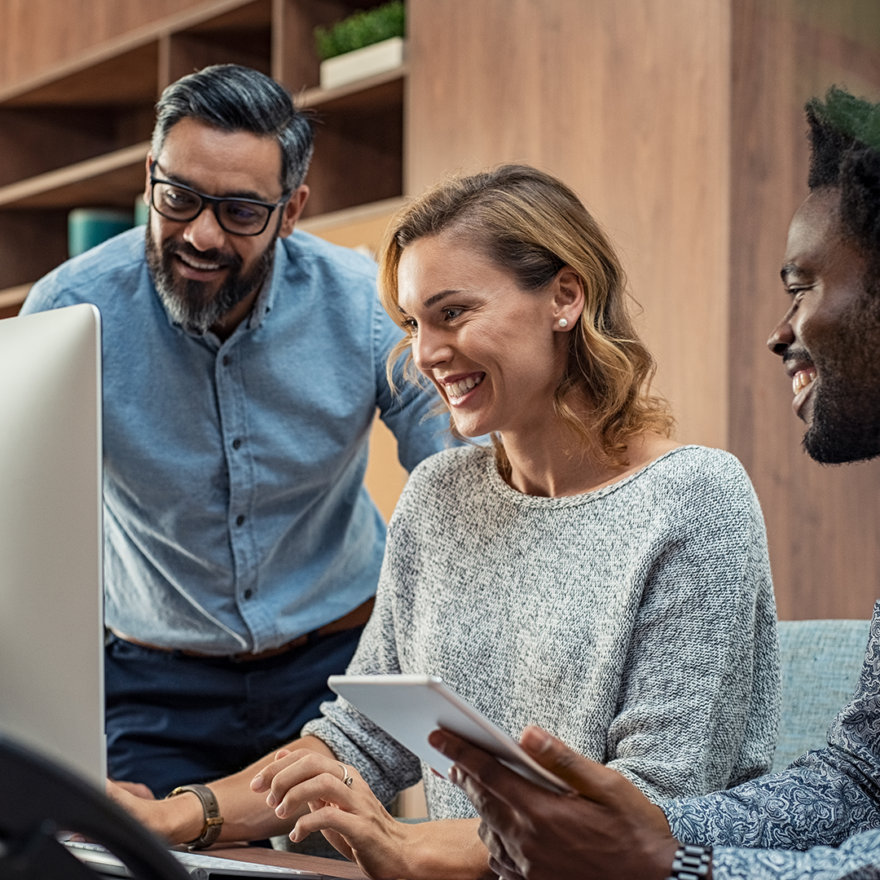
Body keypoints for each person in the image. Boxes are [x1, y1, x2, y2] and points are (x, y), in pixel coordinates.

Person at [110, 164, 778, 874]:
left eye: (453, 313)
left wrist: (404, 846)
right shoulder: (437, 495)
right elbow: (356, 742)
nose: (425, 354)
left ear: (565, 295)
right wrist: (179, 814)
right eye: (413, 323)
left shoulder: (696, 498)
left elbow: (652, 812)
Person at [430, 86, 880, 880]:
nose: (780, 331)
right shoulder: (441, 490)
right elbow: (858, 782)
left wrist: (678, 862)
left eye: (802, 286)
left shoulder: (693, 494)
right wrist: (646, 833)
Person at [20, 63, 449, 800]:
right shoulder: (68, 311)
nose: (200, 234)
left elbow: (459, 471)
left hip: (337, 669)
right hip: (155, 684)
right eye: (179, 197)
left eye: (242, 212)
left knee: (330, 867)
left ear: (292, 209)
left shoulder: (362, 305)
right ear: (151, 173)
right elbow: (20, 519)